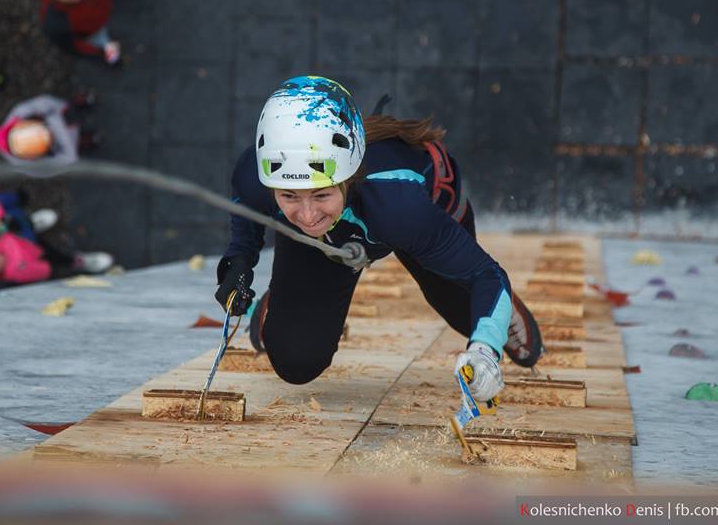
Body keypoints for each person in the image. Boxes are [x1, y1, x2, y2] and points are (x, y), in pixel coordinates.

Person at [214, 76, 544, 402]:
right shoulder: (257, 175)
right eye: (288, 196)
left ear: (347, 177)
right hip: (337, 236)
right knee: (296, 361)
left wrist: (485, 350)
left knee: (466, 311)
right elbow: (247, 207)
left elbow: (487, 274)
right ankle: (286, 294)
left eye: (320, 195)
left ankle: (500, 312)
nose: (307, 215)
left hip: (414, 216)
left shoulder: (399, 207)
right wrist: (238, 262)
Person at [0, 211, 113, 285]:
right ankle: (75, 262)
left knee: (21, 226)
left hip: (14, 236)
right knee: (50, 257)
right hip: (20, 259)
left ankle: (31, 224)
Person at [0, 93, 99, 171]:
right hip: (56, 146)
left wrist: (62, 113)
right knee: (74, 144)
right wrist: (69, 153)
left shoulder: (21, 113)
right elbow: (62, 161)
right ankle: (86, 140)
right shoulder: (21, 163)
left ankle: (81, 102)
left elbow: (48, 103)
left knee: (68, 110)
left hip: (54, 118)